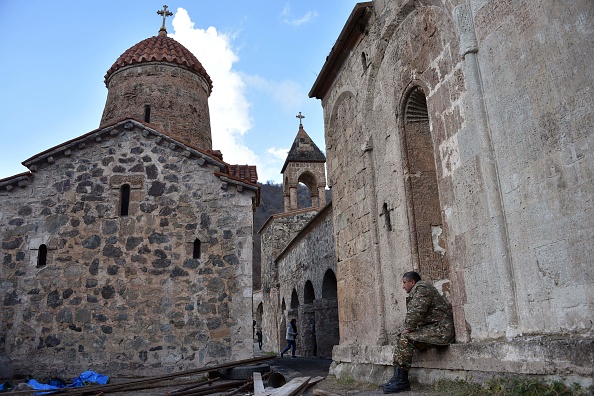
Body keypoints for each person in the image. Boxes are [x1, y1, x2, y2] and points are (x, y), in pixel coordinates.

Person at [382, 271, 455, 394]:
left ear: (412, 282)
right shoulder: (418, 290)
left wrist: (408, 328)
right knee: (402, 337)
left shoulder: (422, 287)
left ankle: (402, 382)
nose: (403, 286)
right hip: (434, 329)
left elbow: (417, 310)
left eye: (404, 283)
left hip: (442, 330)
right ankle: (397, 378)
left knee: (405, 338)